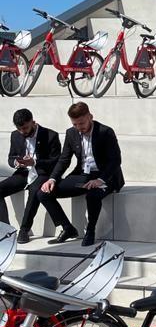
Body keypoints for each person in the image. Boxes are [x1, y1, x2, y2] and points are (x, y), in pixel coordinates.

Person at [38, 102, 124, 247]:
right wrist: (52, 178)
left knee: (93, 194)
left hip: (106, 176)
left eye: (81, 123)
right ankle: (67, 228)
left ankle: (90, 231)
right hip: (83, 174)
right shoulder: (71, 133)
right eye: (75, 124)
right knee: (43, 193)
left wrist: (100, 179)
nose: (79, 127)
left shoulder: (105, 132)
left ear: (90, 117)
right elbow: (64, 159)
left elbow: (115, 160)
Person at [0, 109, 61, 244]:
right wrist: (16, 162)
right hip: (23, 172)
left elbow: (56, 162)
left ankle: (24, 230)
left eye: (25, 128)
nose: (23, 132)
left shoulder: (51, 135)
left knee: (34, 191)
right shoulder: (15, 135)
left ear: (33, 122)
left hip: (42, 172)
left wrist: (34, 162)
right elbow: (11, 158)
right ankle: (5, 229)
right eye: (19, 129)